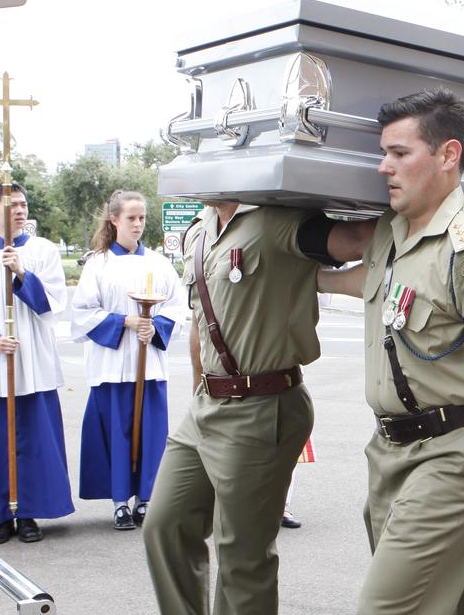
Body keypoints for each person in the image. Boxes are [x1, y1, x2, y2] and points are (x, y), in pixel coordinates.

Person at [318, 88, 464, 615]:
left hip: (448, 460)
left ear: (447, 155)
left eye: (399, 153)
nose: (382, 166)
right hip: (389, 453)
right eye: (383, 152)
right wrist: (304, 280)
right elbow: (369, 284)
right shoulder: (393, 233)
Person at [143, 200, 368, 615]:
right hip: (207, 403)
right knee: (165, 526)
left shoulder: (275, 220)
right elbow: (199, 320)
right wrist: (199, 391)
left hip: (262, 404)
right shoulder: (200, 229)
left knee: (242, 557)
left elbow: (355, 241)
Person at [0, 184, 75, 544]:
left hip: (31, 356)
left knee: (34, 438)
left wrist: (22, 273)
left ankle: (30, 512)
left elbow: (54, 302)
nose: (20, 211)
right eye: (11, 206)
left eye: (23, 205)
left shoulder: (43, 250)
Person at [71, 190, 184, 530]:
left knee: (150, 434)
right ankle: (120, 501)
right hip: (112, 365)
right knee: (117, 436)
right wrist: (125, 322)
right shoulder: (98, 264)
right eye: (131, 218)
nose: (138, 224)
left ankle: (146, 498)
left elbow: (177, 307)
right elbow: (82, 312)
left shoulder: (159, 264)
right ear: (114, 220)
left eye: (142, 218)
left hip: (148, 366)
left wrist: (156, 327)